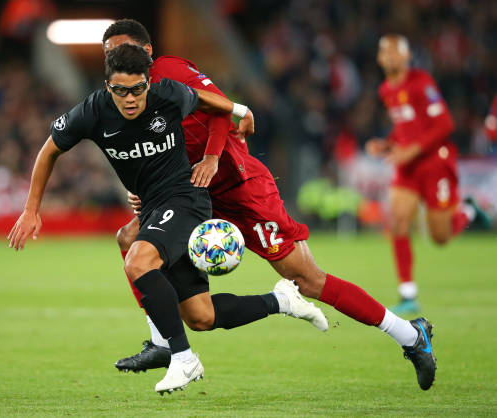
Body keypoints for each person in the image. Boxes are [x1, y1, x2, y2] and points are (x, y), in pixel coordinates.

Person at [103, 20, 437, 391]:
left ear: (146, 51)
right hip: (194, 196)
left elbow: (221, 110)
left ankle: (409, 335)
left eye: (123, 49)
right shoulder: (126, 96)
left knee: (309, 280)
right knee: (131, 239)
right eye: (109, 54)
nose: (116, 58)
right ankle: (163, 344)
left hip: (240, 189)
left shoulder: (169, 71)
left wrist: (214, 154)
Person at [7, 43, 328, 395]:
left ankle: (182, 358)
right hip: (153, 209)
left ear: (148, 82)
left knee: (137, 260)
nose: (129, 99)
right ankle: (281, 301)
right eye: (120, 91)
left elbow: (208, 100)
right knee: (201, 316)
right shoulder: (92, 111)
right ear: (107, 86)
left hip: (185, 199)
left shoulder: (168, 94)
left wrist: (241, 110)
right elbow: (50, 149)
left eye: (137, 89)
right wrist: (31, 208)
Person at [366, 34, 489, 315]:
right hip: (408, 168)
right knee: (397, 220)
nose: (392, 57)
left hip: (435, 162)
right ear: (380, 58)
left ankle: (468, 211)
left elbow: (444, 123)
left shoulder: (421, 83)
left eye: (398, 52)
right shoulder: (386, 89)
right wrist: (387, 143)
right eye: (387, 52)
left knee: (440, 237)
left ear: (408, 57)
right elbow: (405, 126)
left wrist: (412, 150)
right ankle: (408, 293)